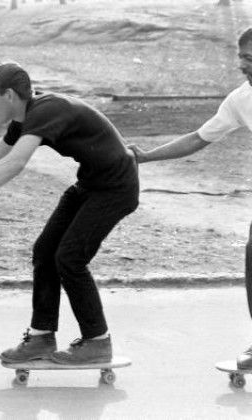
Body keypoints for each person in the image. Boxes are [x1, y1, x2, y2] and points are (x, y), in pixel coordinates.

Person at [0, 62, 139, 365]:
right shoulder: (28, 115)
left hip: (116, 189)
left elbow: (15, 163)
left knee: (69, 258)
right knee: (45, 251)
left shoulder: (45, 111)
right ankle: (41, 337)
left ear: (10, 95)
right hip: (91, 184)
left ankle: (97, 342)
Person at [129, 28, 252, 370]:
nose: (244, 66)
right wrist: (148, 157)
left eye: (251, 59)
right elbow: (199, 138)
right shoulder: (240, 100)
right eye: (242, 58)